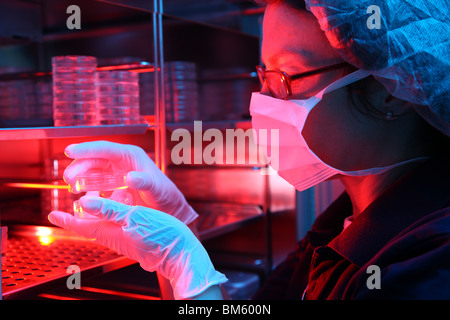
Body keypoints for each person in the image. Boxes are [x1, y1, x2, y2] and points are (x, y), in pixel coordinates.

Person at [48, 0, 450, 300]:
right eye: (263, 74)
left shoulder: (433, 258)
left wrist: (185, 263)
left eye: (286, 75)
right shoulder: (340, 222)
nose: (263, 99)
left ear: (388, 91)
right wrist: (178, 246)